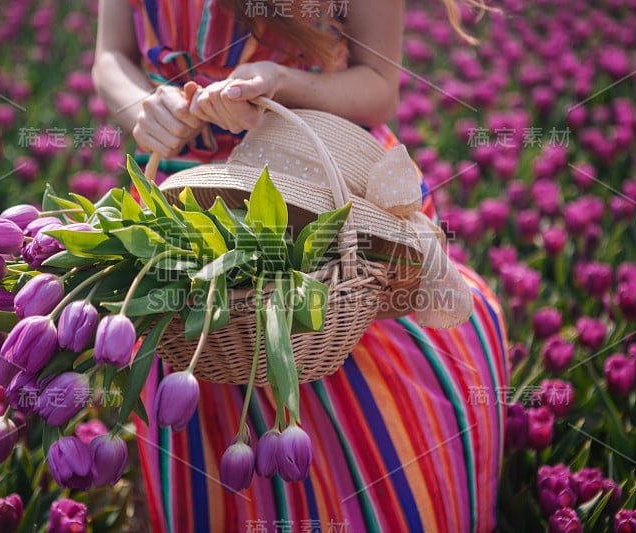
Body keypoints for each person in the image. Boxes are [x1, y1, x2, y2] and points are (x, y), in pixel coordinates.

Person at [93, 1, 508, 531]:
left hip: (313, 184)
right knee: (201, 367)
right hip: (178, 191)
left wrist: (280, 83)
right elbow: (111, 56)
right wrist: (148, 112)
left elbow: (380, 84)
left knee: (327, 363)